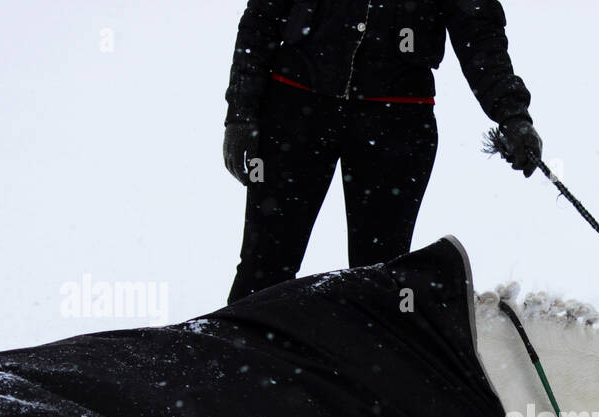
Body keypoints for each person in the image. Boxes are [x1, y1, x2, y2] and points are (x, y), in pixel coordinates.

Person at [222, 0, 542, 303]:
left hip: (396, 124)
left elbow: (478, 27)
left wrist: (512, 114)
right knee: (263, 271)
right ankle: (237, 356)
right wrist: (240, 112)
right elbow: (262, 16)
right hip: (294, 111)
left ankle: (362, 360)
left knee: (377, 286)